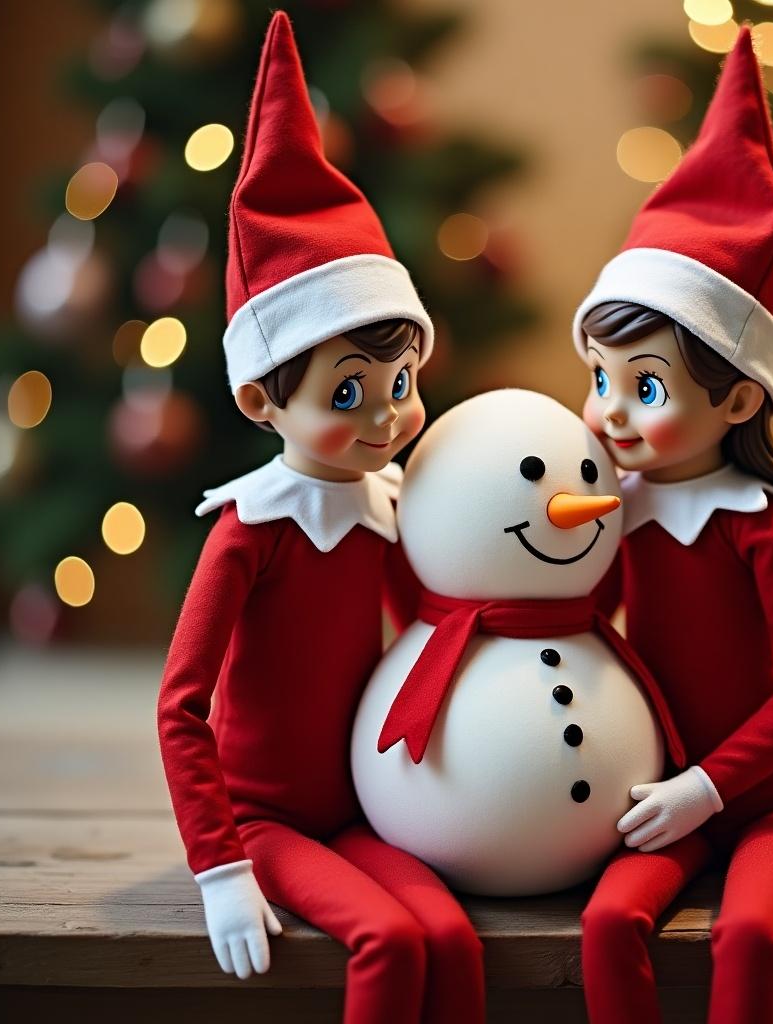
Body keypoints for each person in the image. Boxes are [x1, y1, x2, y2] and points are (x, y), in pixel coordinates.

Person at [157, 13, 482, 1024]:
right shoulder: (251, 529)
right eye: (349, 393)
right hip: (266, 818)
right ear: (261, 401)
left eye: (401, 380)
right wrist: (217, 863)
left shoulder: (390, 508)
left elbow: (434, 625)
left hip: (365, 802)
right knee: (387, 940)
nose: (389, 416)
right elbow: (180, 706)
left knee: (451, 936)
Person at [571, 27, 773, 1024]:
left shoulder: (749, 525)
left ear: (737, 401)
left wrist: (709, 786)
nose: (610, 410)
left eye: (645, 386)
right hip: (655, 783)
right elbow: (578, 619)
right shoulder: (616, 508)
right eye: (601, 378)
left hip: (765, 797)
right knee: (607, 924)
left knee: (743, 933)